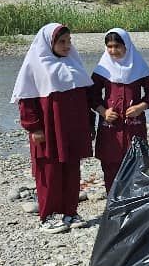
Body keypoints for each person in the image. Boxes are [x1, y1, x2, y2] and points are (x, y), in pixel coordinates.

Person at [12, 23, 94, 233]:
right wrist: (34, 128)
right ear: (50, 43)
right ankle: (48, 216)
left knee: (72, 169)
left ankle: (70, 211)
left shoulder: (74, 62)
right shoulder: (35, 64)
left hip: (72, 128)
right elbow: (26, 99)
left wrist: (88, 124)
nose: (67, 46)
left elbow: (84, 97)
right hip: (48, 129)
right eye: (61, 42)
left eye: (69, 41)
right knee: (49, 171)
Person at [90, 28, 149, 192]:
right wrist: (103, 112)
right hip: (110, 126)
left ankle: (132, 202)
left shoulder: (139, 67)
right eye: (110, 46)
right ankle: (112, 202)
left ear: (127, 46)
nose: (113, 51)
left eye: (117, 46)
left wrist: (140, 107)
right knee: (110, 163)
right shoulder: (102, 69)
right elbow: (91, 95)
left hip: (134, 124)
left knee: (135, 161)